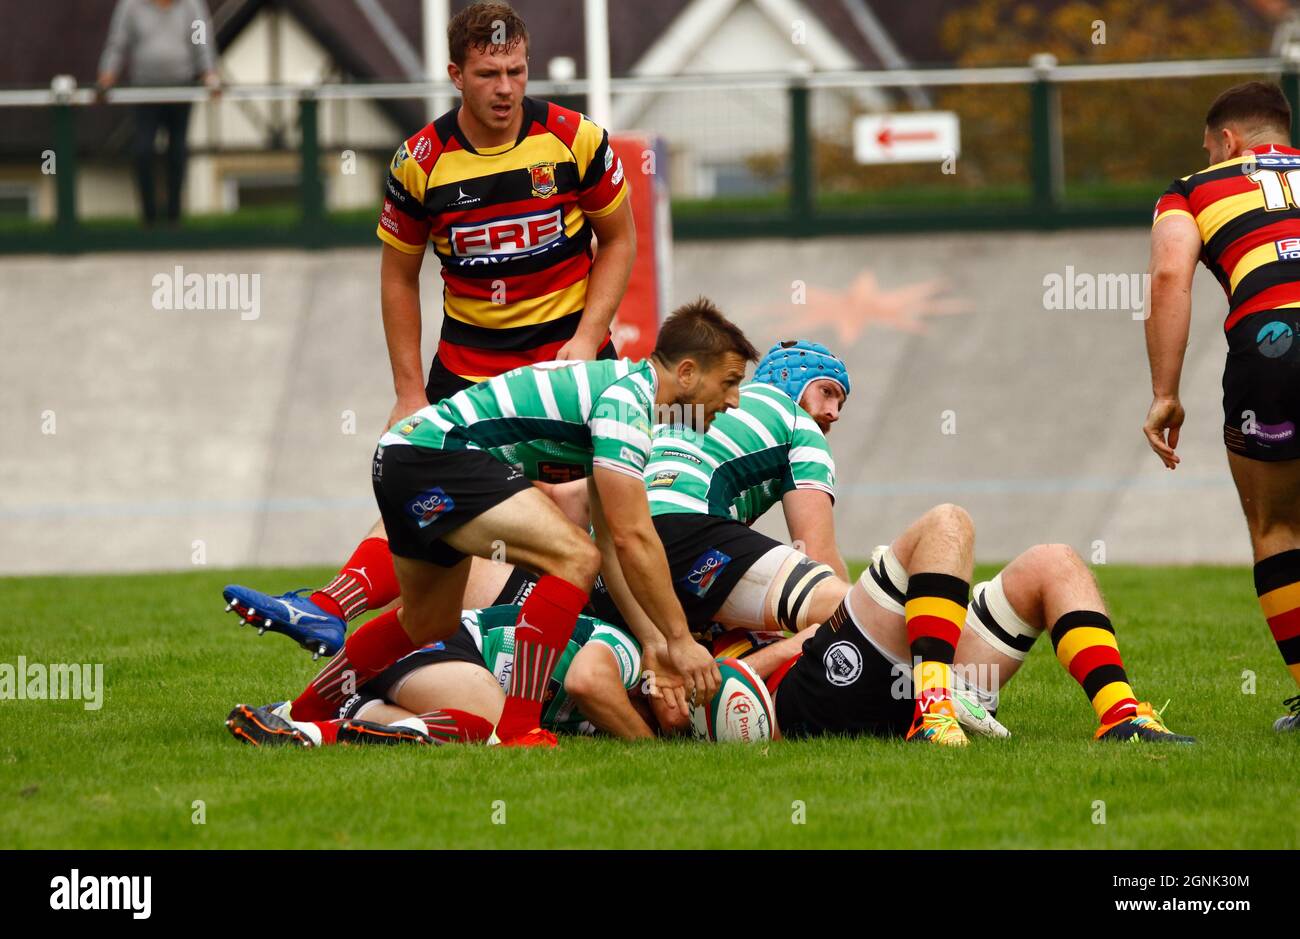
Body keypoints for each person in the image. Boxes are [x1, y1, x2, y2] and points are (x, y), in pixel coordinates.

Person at [221, 0, 637, 656]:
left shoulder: (576, 139)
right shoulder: (420, 161)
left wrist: (587, 341)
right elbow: (396, 277)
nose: (505, 88)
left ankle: (650, 648)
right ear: (455, 74)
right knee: (429, 507)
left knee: (630, 520)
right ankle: (328, 617)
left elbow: (619, 240)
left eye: (516, 71)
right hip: (469, 380)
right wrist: (409, 390)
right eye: (487, 73)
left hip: (568, 379)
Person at [251, 300, 754, 748]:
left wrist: (654, 642)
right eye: (729, 382)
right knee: (575, 557)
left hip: (405, 457)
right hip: (438, 456)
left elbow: (616, 538)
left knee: (429, 623)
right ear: (686, 372)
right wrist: (681, 641)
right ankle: (518, 730)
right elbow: (634, 535)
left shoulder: (622, 396)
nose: (732, 401)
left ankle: (299, 715)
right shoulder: (630, 401)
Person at [1144, 80, 1300, 732]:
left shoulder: (1190, 190)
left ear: (1228, 141)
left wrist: (1164, 392)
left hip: (1275, 347)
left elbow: (1170, 275)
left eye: (1210, 149)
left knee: (1277, 527)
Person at [739, 529, 1197, 746]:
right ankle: (933, 712)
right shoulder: (680, 550)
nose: (834, 411)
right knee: (946, 523)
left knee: (1053, 560)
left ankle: (1120, 718)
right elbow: (694, 694)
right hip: (815, 691)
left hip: (897, 669)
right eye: (827, 394)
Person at [225, 605, 653, 747]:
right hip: (445, 646)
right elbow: (587, 683)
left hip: (418, 668)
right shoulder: (629, 653)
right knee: (496, 730)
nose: (677, 705)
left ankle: (310, 727)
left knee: (476, 727)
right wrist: (649, 746)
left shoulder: (602, 727)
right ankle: (314, 724)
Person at [97, 0, 220, 224]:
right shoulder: (131, 6)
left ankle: (174, 217)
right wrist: (107, 76)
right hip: (144, 91)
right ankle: (149, 218)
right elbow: (117, 43)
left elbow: (202, 41)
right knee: (142, 150)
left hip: (181, 89)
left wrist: (209, 74)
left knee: (178, 151)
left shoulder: (191, 5)